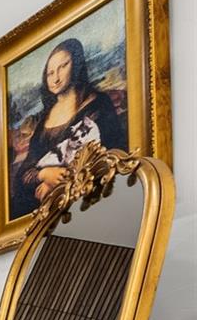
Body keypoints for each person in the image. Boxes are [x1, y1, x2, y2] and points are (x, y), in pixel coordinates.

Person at [9, 37, 126, 217]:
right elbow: (24, 174)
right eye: (50, 73)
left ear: (76, 65)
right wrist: (44, 174)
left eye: (63, 66)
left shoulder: (97, 105)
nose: (55, 78)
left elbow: (108, 155)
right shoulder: (43, 122)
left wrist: (58, 184)